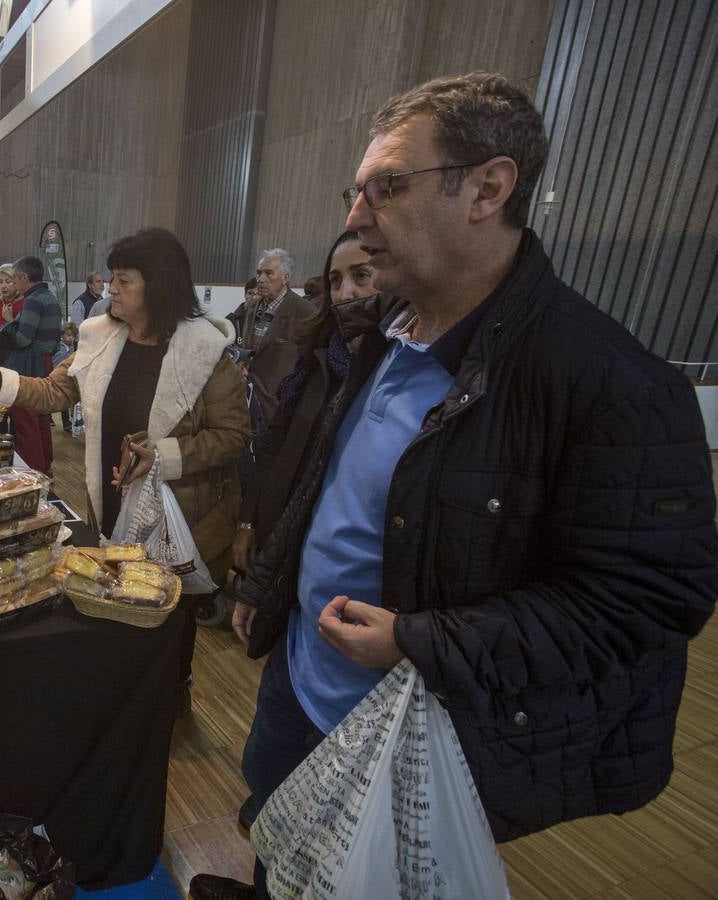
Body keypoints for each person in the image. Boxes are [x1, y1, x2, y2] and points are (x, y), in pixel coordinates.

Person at [190, 72, 717, 900]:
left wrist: (422, 641)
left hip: (420, 725)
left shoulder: (610, 383)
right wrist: (270, 580)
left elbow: (645, 601)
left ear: (488, 188)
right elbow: (325, 488)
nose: (357, 218)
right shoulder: (375, 335)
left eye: (388, 187)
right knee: (280, 827)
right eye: (356, 191)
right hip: (303, 678)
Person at [0, 228, 251, 698]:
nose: (111, 290)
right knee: (116, 595)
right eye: (112, 279)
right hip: (111, 495)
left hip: (182, 512)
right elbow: (54, 390)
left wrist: (164, 457)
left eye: (124, 281)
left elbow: (234, 436)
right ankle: (123, 697)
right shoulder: (101, 339)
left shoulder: (205, 353)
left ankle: (169, 697)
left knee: (169, 611)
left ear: (159, 285)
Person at [230, 232, 380, 577]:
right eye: (335, 280)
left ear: (287, 277)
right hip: (259, 414)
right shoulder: (256, 313)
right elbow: (274, 452)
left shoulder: (301, 315)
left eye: (361, 276)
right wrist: (248, 522)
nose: (346, 293)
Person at [0, 255, 63, 472]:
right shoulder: (50, 297)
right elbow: (55, 340)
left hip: (29, 365)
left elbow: (23, 339)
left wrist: (9, 325)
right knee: (42, 419)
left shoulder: (32, 300)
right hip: (46, 364)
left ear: (25, 278)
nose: (14, 284)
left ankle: (31, 472)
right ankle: (45, 466)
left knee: (25, 420)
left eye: (15, 279)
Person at [53, 321, 80, 432]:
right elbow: (55, 361)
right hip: (58, 376)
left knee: (66, 400)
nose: (71, 338)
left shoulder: (73, 348)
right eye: (68, 335)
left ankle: (68, 422)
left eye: (73, 336)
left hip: (69, 377)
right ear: (62, 335)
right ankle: (50, 418)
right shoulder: (59, 348)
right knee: (56, 399)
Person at [0, 263, 22, 339]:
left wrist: (10, 320)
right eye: (0, 282)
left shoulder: (25, 304)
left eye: (8, 282)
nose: (3, 286)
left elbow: (23, 338)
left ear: (17, 283)